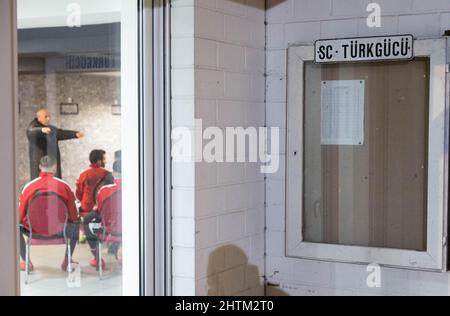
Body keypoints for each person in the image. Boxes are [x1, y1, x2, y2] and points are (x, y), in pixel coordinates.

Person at [19, 156, 80, 272]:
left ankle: (26, 262)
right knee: (76, 224)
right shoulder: (64, 186)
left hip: (34, 231)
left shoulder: (29, 187)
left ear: (39, 168)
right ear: (55, 167)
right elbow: (74, 216)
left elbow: (20, 216)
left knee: (15, 227)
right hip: (59, 230)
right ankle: (67, 260)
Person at [84, 160, 122, 269]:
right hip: (132, 229)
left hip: (110, 229)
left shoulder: (104, 190)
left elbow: (99, 210)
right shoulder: (136, 189)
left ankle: (97, 258)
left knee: (87, 220)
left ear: (113, 173)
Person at [27, 108, 84, 180]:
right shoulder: (33, 127)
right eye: (46, 117)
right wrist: (41, 130)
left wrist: (74, 134)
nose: (48, 119)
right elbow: (31, 132)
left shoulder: (49, 128)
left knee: (55, 182)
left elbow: (60, 133)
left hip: (52, 164)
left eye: (49, 116)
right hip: (40, 165)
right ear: (39, 118)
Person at [76, 150, 114, 217]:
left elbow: (78, 194)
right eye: (104, 159)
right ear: (99, 161)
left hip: (86, 210)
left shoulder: (83, 174)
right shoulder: (108, 174)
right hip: (102, 210)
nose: (106, 162)